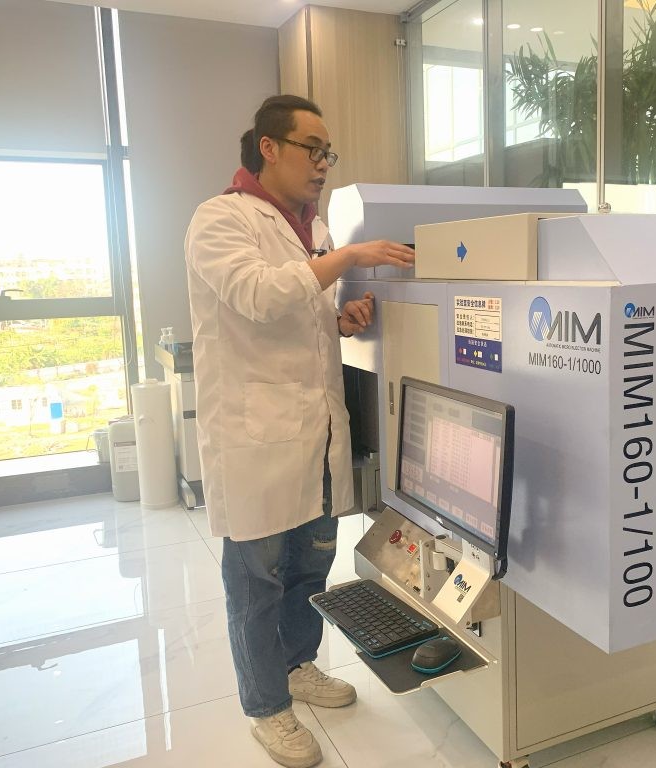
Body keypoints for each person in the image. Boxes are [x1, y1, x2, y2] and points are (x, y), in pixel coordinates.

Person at [184, 94, 414, 768]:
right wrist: (349, 258)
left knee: (311, 563)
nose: (323, 164)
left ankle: (297, 665)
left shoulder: (312, 229)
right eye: (313, 149)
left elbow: (300, 313)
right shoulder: (219, 219)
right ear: (269, 148)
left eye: (327, 153)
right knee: (256, 578)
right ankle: (267, 707)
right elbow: (258, 295)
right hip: (254, 435)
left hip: (316, 433)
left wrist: (338, 321)